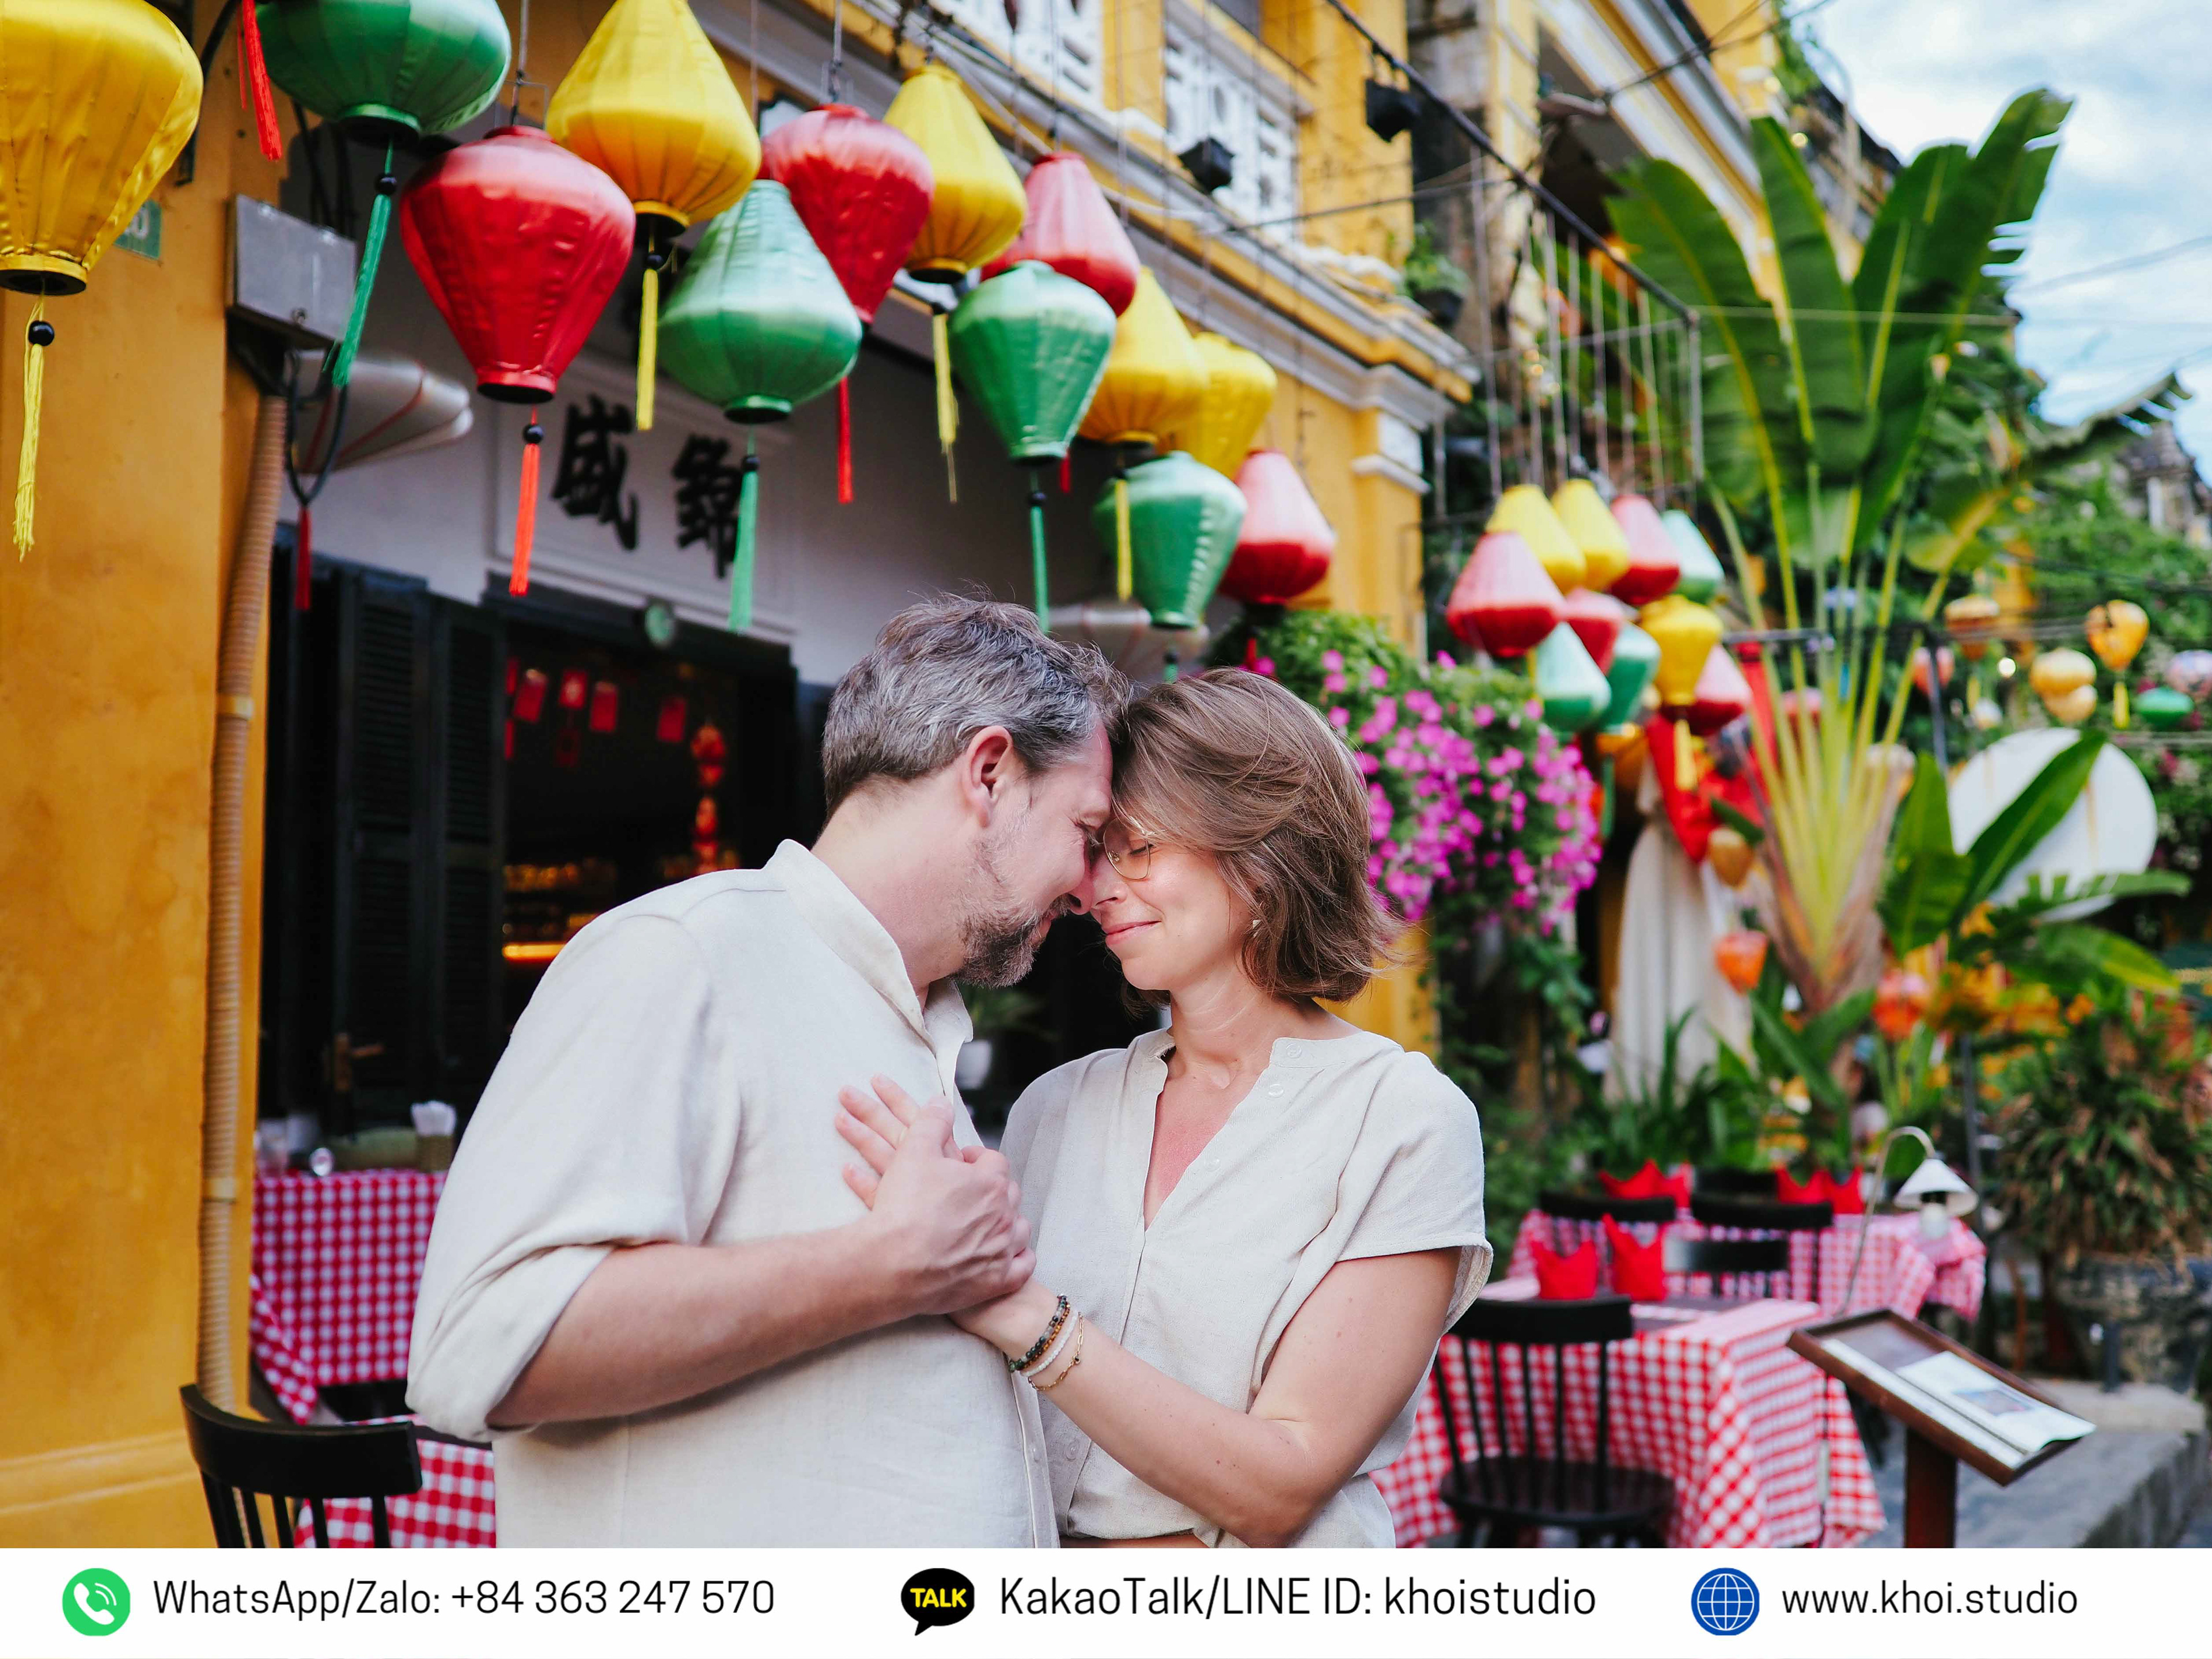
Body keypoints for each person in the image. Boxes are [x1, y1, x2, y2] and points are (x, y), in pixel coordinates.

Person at [406, 597, 1125, 1546]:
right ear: (989, 772)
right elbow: (482, 1350)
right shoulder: (682, 955)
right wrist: (892, 1265)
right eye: (1087, 830)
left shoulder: (911, 1014)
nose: (1092, 886)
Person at [836, 669, 1490, 1548]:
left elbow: (1281, 1487)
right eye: (1098, 847)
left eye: (1139, 848)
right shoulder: (1056, 1107)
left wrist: (1010, 1304)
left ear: (1262, 852)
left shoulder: (1400, 1119)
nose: (1098, 888)